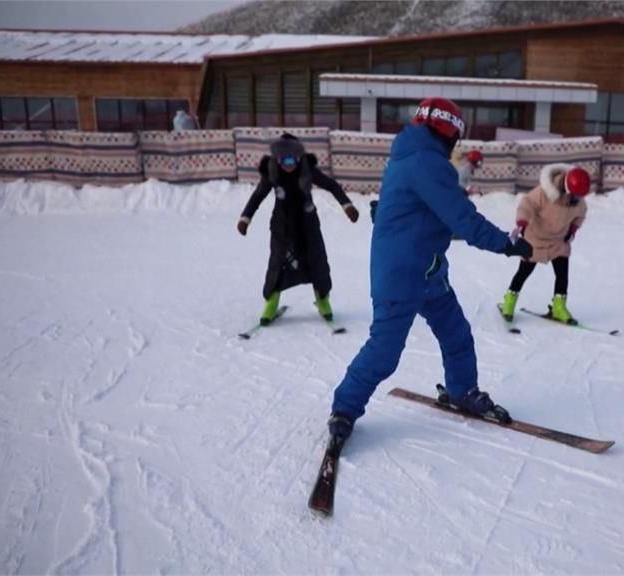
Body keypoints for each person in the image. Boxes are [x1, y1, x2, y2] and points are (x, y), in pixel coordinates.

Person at [327, 98, 533, 441]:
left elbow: (430, 214)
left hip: (429, 270)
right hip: (400, 274)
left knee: (456, 334)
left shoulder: (408, 157)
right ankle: (344, 409)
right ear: (450, 132)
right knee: (385, 351)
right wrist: (505, 243)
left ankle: (463, 390)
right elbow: (462, 218)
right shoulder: (426, 163)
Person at [237, 133, 359, 325]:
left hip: (307, 224)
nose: (289, 164)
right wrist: (245, 218)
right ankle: (271, 301)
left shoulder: (307, 169)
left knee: (316, 260)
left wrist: (347, 206)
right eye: (284, 159)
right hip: (282, 227)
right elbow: (258, 195)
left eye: (292, 159)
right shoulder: (272, 172)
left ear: (299, 157)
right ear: (277, 159)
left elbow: (331, 185)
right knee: (278, 262)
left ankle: (323, 299)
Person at [500, 163, 590, 325]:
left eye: (579, 197)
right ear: (567, 188)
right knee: (523, 272)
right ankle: (509, 302)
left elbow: (580, 215)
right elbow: (526, 205)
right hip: (535, 240)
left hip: (558, 242)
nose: (577, 200)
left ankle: (559, 307)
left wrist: (572, 230)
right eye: (575, 196)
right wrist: (521, 223)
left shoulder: (578, 201)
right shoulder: (544, 193)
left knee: (562, 274)